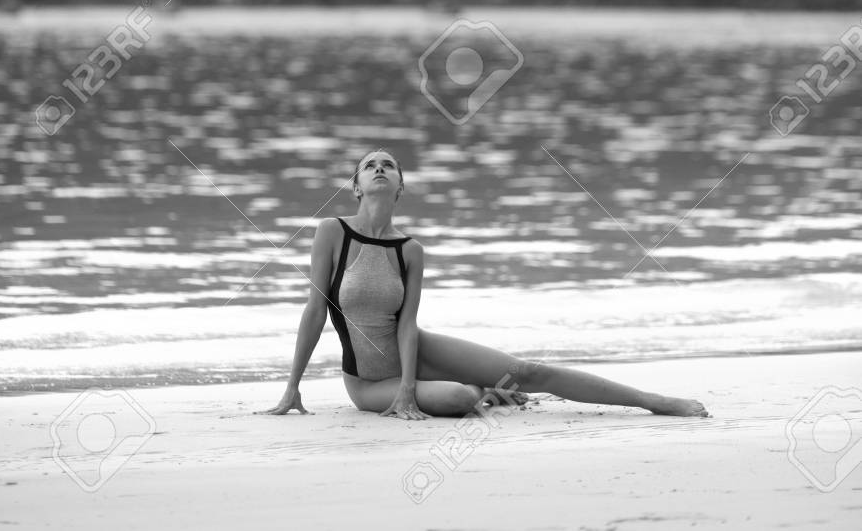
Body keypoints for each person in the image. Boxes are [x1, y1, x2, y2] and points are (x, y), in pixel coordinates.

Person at [264, 148, 709, 420]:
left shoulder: (411, 250)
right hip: (367, 381)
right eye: (369, 166)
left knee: (528, 372)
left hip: (415, 349)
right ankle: (488, 392)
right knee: (461, 398)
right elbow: (315, 312)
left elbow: (407, 324)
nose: (379, 168)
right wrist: (292, 387)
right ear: (357, 187)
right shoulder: (332, 232)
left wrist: (408, 389)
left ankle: (651, 401)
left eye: (389, 166)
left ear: (400, 186)